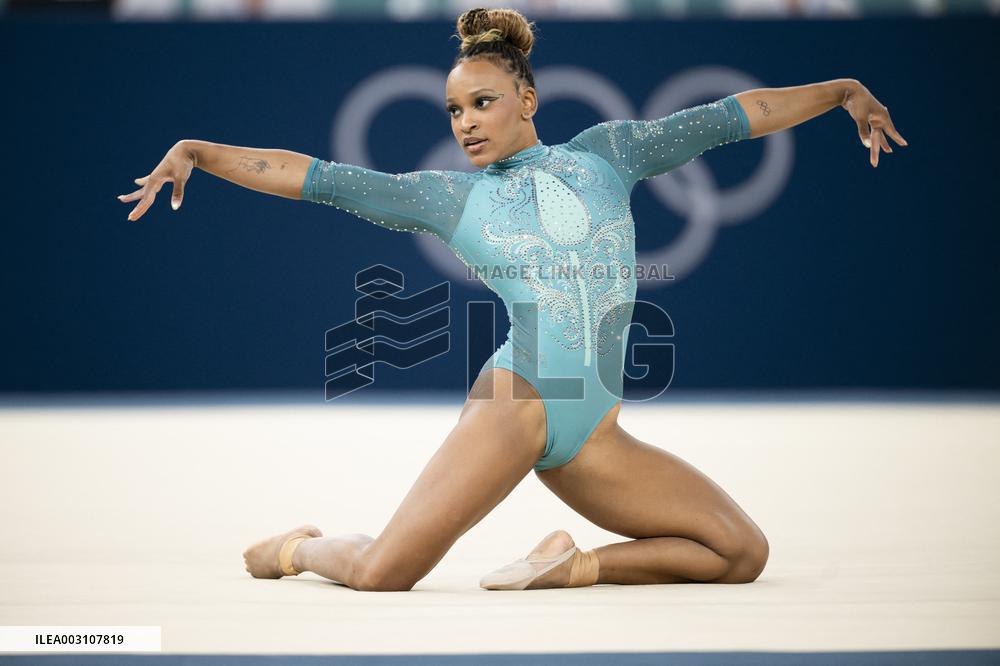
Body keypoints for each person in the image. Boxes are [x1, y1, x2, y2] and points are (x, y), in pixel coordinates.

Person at [117, 7, 907, 592]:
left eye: (483, 102)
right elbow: (317, 178)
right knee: (385, 571)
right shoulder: (446, 199)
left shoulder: (609, 153)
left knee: (741, 552)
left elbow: (731, 120)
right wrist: (200, 153)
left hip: (594, 430)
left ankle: (572, 565)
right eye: (455, 111)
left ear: (526, 98)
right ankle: (296, 548)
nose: (466, 123)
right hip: (517, 400)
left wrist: (840, 92)